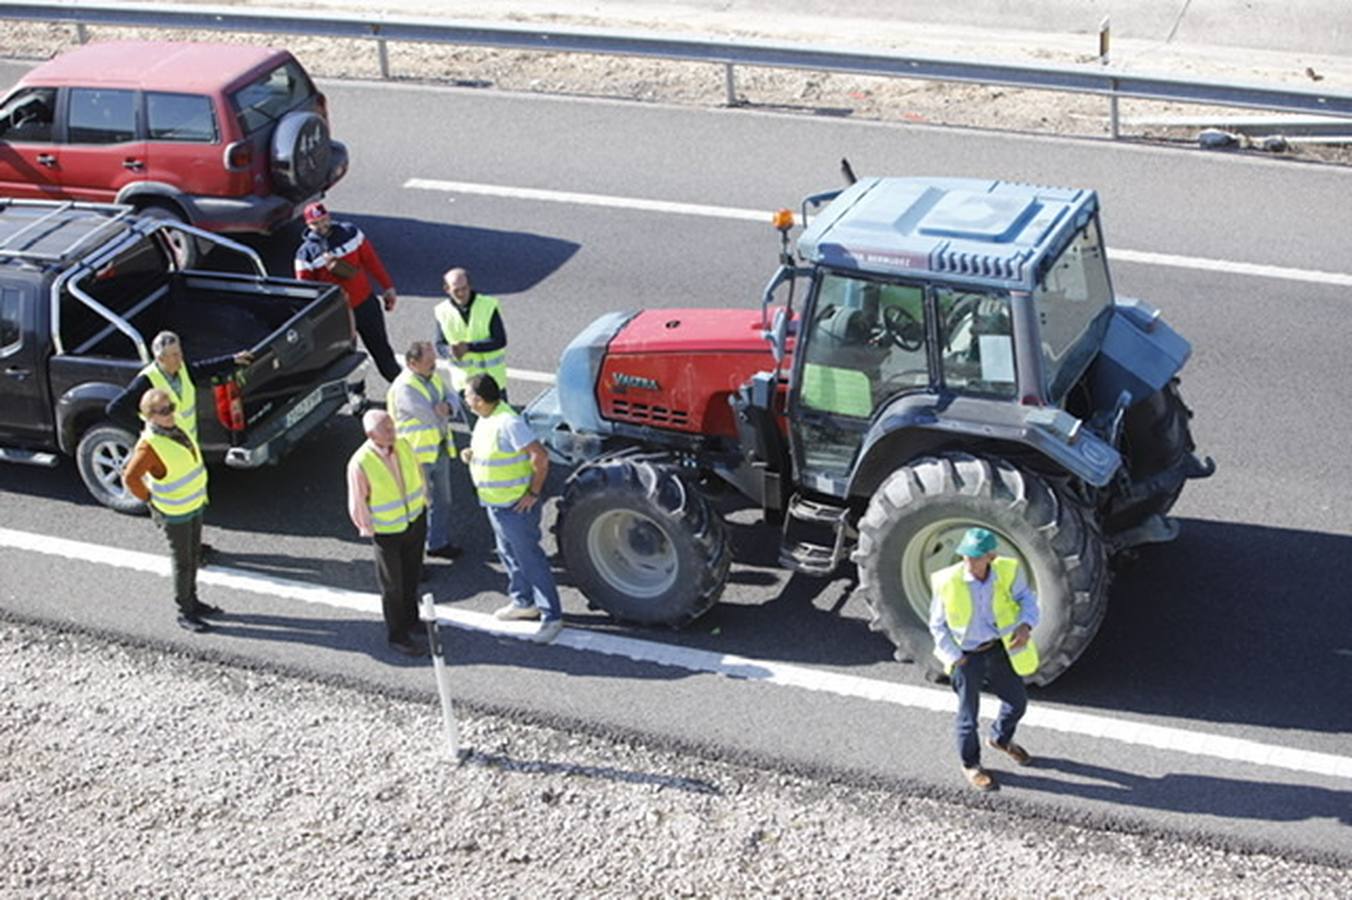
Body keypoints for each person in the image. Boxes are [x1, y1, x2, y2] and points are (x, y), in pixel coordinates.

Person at [928, 527, 1040, 791]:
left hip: (997, 649)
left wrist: (1025, 625)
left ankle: (1000, 738)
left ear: (991, 556)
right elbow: (937, 625)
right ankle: (971, 765)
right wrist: (955, 657)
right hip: (966, 657)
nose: (969, 561)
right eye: (965, 555)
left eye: (976, 556)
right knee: (968, 718)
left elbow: (1027, 599)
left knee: (1017, 702)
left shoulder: (1007, 571)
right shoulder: (947, 581)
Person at [459, 373, 562, 644]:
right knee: (508, 554)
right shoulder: (486, 418)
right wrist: (471, 455)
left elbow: (539, 456)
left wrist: (533, 492)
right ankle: (523, 602)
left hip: (515, 506)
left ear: (479, 400)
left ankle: (552, 616)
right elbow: (496, 452)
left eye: (467, 395)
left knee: (530, 558)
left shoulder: (508, 422)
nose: (465, 400)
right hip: (495, 502)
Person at [121, 388, 221, 634]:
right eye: (164, 411)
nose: (171, 414)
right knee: (183, 563)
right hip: (175, 512)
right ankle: (185, 611)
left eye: (171, 407)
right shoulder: (149, 447)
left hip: (193, 504)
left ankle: (193, 602)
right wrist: (150, 500)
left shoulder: (175, 428)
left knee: (193, 556)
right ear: (150, 416)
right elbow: (130, 477)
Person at [347, 408, 430, 657]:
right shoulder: (361, 461)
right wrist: (367, 527)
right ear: (371, 434)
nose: (392, 431)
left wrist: (424, 501)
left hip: (414, 519)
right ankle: (398, 635)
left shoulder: (403, 445)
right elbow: (357, 499)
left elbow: (418, 473)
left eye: (392, 426)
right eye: (386, 429)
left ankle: (412, 620)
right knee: (392, 585)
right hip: (387, 530)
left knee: (412, 574)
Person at [294, 202, 401, 382]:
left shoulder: (351, 233)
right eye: (315, 223)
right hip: (338, 315)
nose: (321, 226)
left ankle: (403, 391)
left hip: (365, 304)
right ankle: (357, 396)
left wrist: (387, 286)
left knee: (382, 351)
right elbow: (306, 292)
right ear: (308, 225)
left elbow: (371, 260)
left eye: (323, 220)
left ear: (329, 216)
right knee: (346, 361)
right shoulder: (305, 255)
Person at [386, 341, 464, 561]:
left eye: (434, 361)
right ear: (412, 363)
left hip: (437, 449)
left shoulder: (434, 377)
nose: (434, 365)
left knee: (442, 500)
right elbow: (428, 415)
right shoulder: (404, 388)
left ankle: (437, 543)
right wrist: (444, 409)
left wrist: (447, 407)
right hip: (415, 457)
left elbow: (453, 398)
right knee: (417, 509)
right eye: (429, 362)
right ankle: (414, 560)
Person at [106, 330, 253, 445]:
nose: (180, 357)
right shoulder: (146, 381)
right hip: (164, 445)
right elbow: (115, 408)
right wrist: (146, 428)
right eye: (174, 355)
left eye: (180, 352)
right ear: (161, 359)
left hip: (188, 440)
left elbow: (204, 368)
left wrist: (232, 360)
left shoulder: (182, 369)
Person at [434, 267, 508, 398]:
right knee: (471, 419)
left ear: (470, 285)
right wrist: (450, 351)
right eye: (456, 290)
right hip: (464, 384)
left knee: (501, 418)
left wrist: (469, 348)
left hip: (492, 382)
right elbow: (440, 345)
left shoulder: (487, 305)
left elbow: (500, 340)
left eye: (464, 288)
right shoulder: (442, 311)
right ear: (447, 289)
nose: (462, 293)